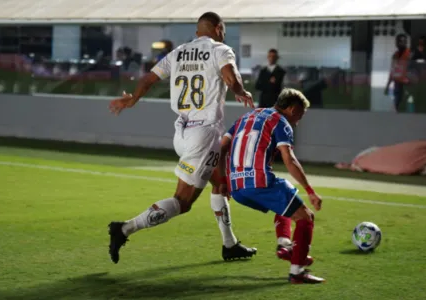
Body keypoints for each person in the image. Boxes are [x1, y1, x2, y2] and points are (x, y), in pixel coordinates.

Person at [107, 12, 257, 264]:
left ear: (198, 32)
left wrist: (133, 98)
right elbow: (230, 76)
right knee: (182, 202)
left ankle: (229, 244)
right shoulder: (221, 49)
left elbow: (148, 79)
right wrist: (241, 91)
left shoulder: (178, 53)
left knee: (221, 183)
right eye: (224, 29)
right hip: (204, 134)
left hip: (183, 130)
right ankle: (123, 229)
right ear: (218, 28)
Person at [218, 88, 325, 284]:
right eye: (300, 115)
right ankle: (297, 272)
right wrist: (311, 191)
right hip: (258, 182)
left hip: (237, 187)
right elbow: (289, 159)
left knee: (287, 195)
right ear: (292, 109)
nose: (298, 121)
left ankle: (285, 245)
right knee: (306, 217)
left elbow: (222, 146)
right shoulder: (281, 122)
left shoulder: (246, 117)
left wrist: (223, 180)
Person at [384, 34, 412, 112]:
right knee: (396, 105)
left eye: (403, 41)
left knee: (407, 104)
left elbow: (412, 70)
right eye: (399, 41)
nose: (401, 43)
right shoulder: (395, 56)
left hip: (407, 84)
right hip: (397, 83)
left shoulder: (409, 54)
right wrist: (388, 85)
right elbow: (392, 71)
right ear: (396, 43)